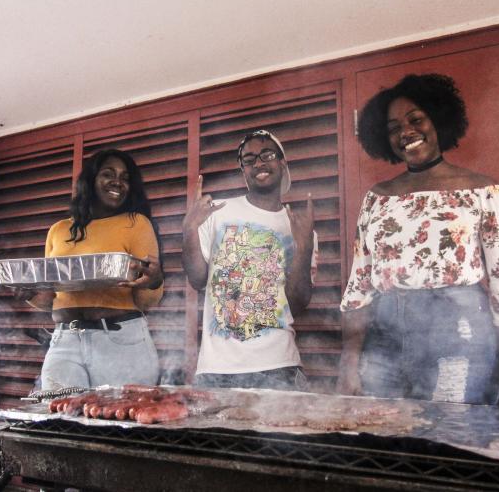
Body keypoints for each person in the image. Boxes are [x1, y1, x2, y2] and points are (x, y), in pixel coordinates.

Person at [338, 74, 499, 406]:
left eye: (416, 119)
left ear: (438, 119)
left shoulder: (482, 192)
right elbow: (359, 289)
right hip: (384, 343)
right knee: (383, 440)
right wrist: (349, 363)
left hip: (458, 339)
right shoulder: (377, 199)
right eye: (393, 128)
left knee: (449, 443)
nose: (405, 132)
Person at [18, 148, 164, 390]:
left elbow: (146, 302)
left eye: (125, 178)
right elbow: (53, 298)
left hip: (120, 341)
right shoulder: (58, 230)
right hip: (64, 340)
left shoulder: (136, 224)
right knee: (58, 423)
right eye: (108, 174)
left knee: (120, 423)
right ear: (91, 181)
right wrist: (30, 295)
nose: (117, 181)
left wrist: (154, 281)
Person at [182, 130, 317, 391]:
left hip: (279, 367)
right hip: (217, 370)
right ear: (243, 170)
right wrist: (188, 229)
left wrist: (304, 247)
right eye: (249, 159)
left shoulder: (300, 226)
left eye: (267, 154)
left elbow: (298, 304)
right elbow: (197, 279)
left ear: (282, 163)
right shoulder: (217, 211)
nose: (258, 163)